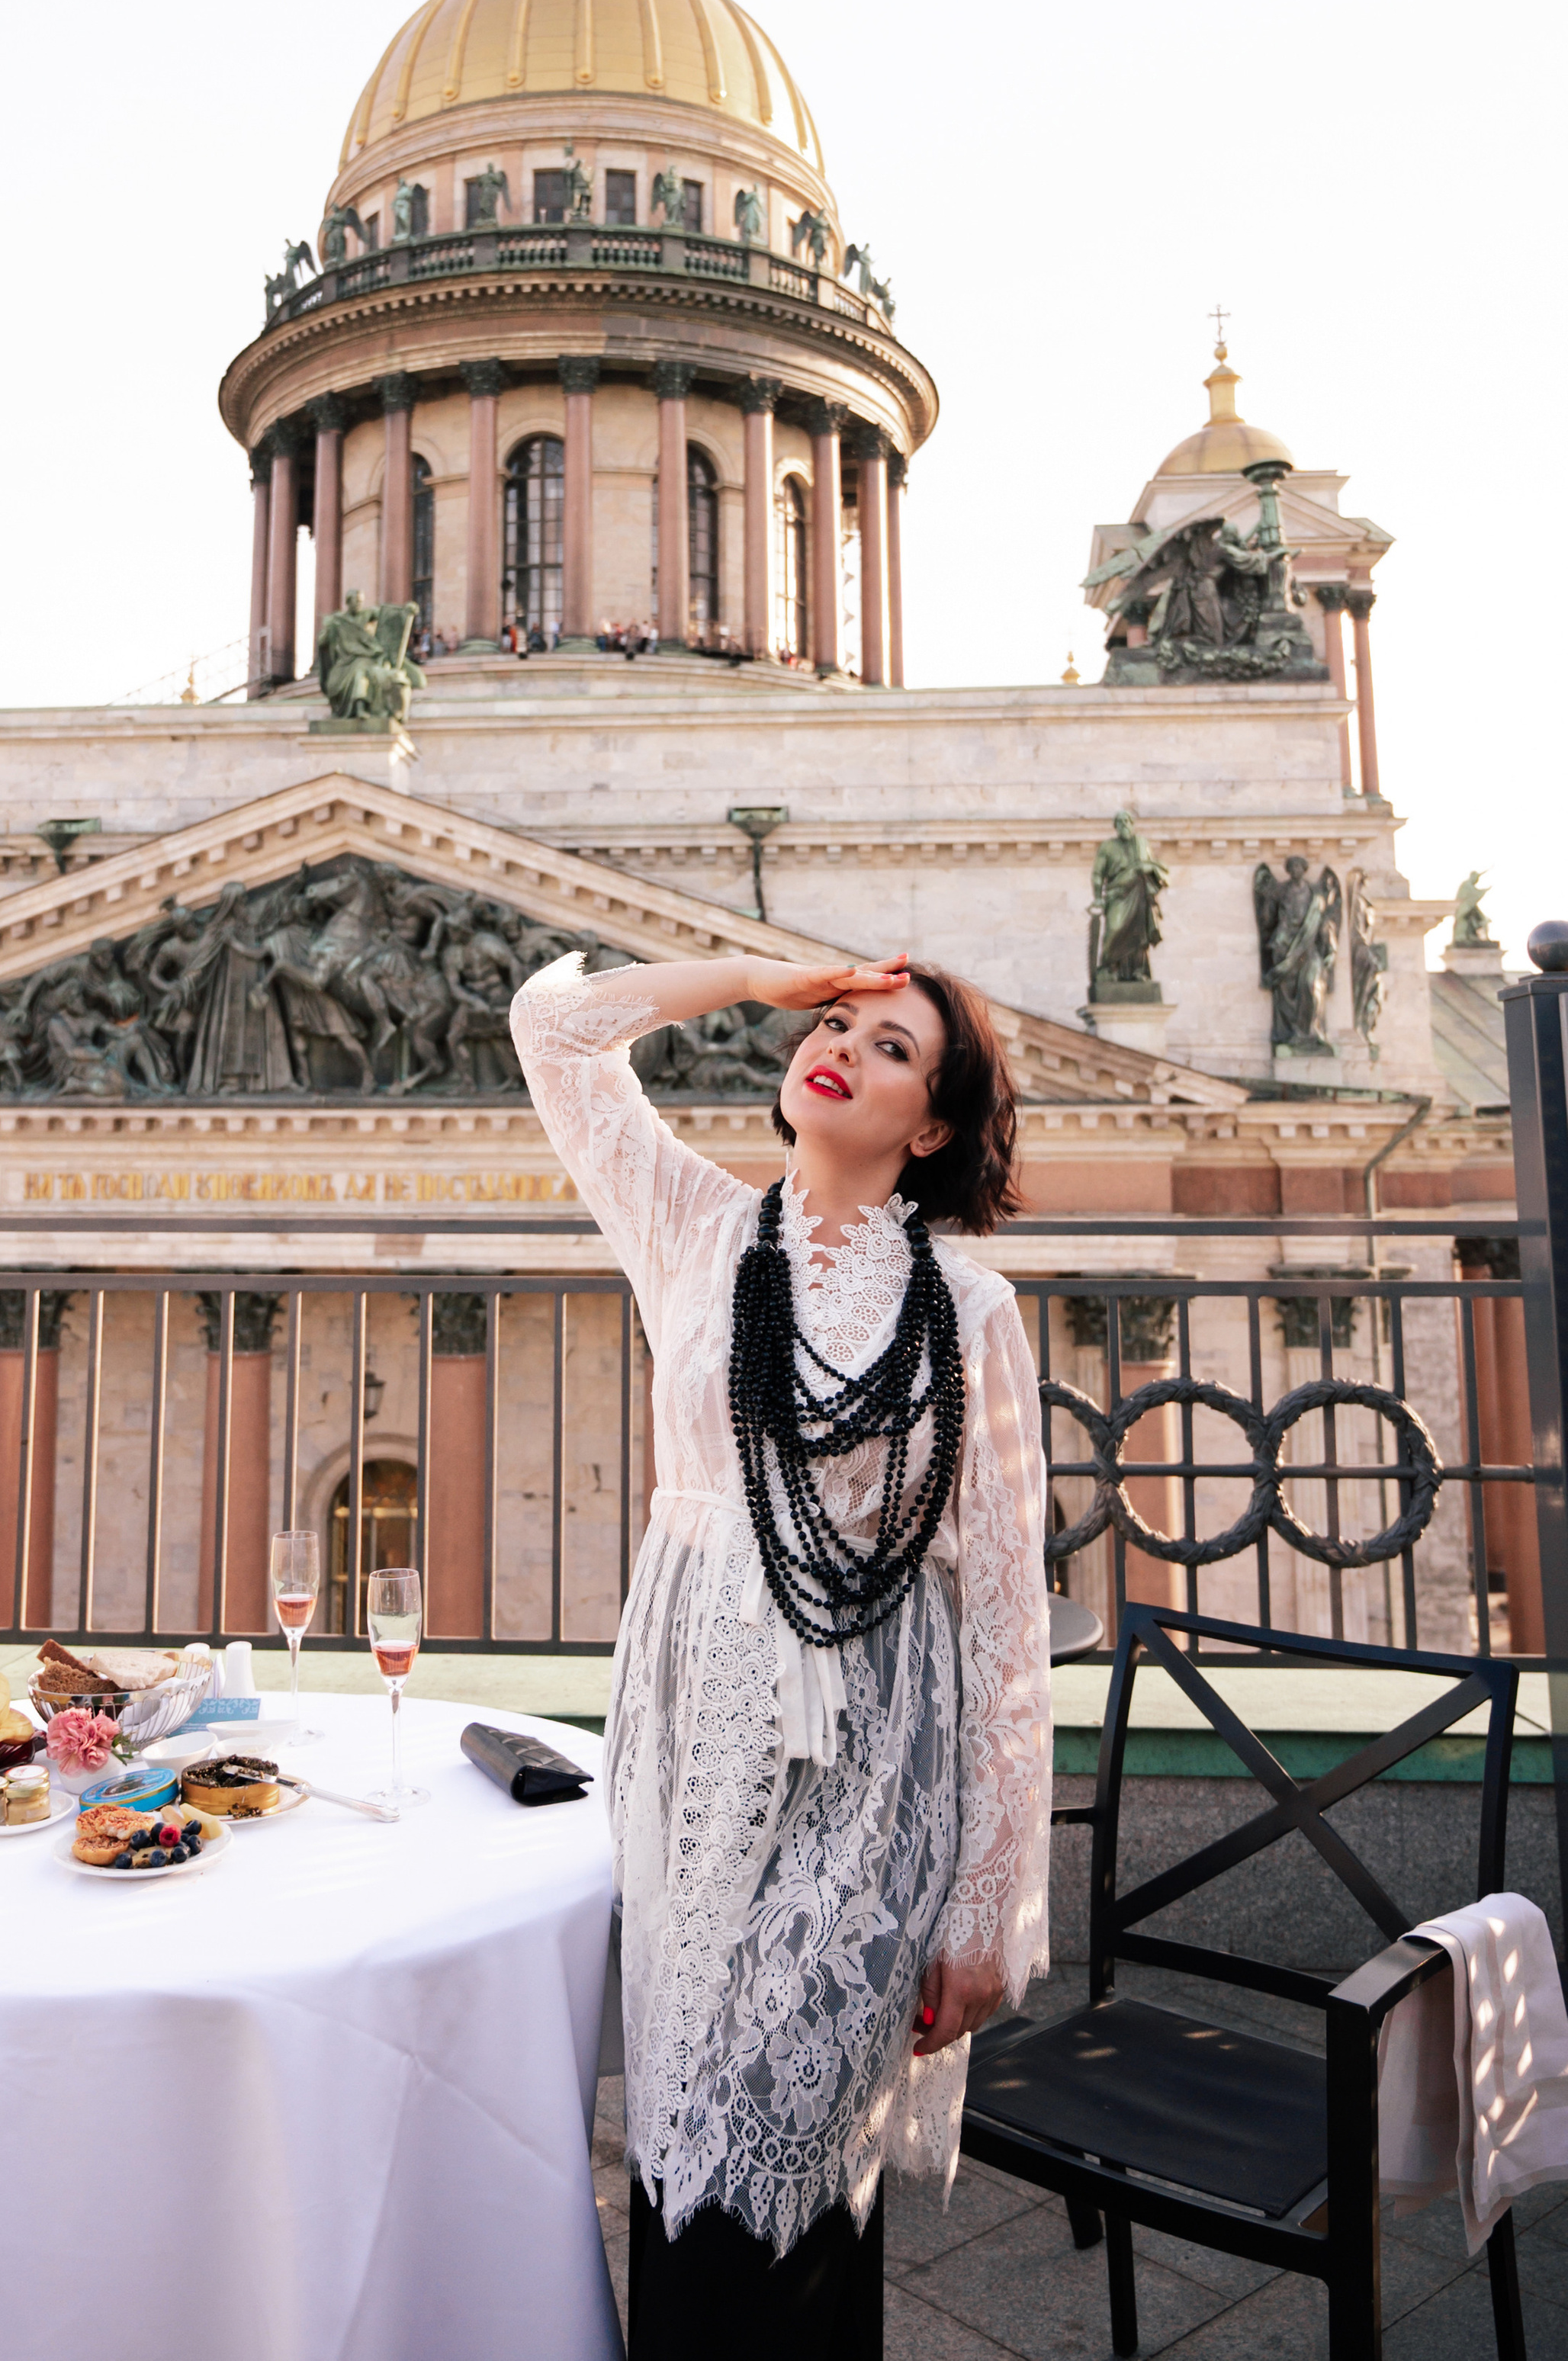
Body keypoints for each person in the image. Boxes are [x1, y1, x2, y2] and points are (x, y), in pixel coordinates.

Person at [509, 947, 1048, 2359]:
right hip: (696, 1752)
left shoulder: (971, 1311)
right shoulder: (691, 1228)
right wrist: (755, 974)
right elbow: (557, 1033)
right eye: (833, 1027)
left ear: (931, 1127)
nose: (840, 1052)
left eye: (890, 1050)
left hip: (877, 1770)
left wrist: (991, 1905)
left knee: (795, 2161)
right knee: (684, 2161)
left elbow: (1003, 1617)